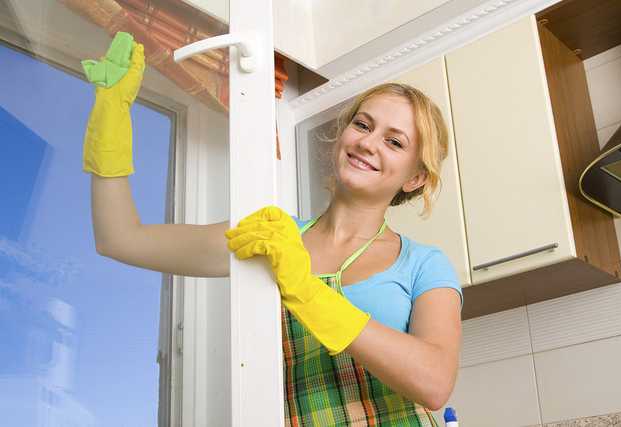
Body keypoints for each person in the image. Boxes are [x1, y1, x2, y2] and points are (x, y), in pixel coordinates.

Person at [85, 35, 462, 426]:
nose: (367, 142)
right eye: (362, 124)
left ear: (416, 177)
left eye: (394, 142)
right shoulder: (272, 238)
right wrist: (111, 112)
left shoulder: (422, 264)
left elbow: (434, 382)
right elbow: (119, 238)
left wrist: (306, 289)